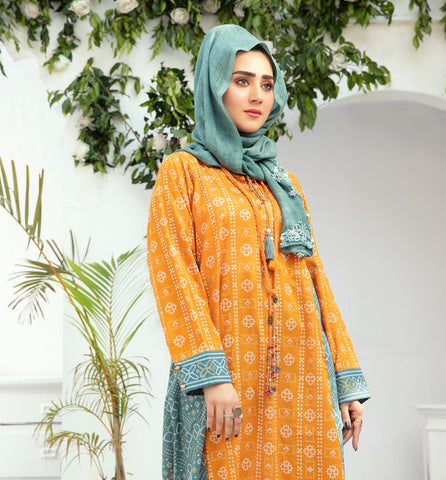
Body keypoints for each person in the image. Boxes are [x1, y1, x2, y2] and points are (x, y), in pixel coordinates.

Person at [146, 24, 370, 480]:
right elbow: (175, 276)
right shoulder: (183, 173)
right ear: (214, 87)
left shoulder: (283, 183)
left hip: (304, 378)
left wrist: (345, 378)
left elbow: (315, 279)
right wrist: (211, 377)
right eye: (242, 81)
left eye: (266, 85)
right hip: (226, 380)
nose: (257, 96)